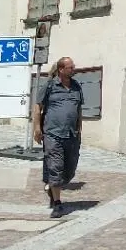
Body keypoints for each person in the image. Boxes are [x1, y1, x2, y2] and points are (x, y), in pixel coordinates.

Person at [34, 56, 83, 218]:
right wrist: (37, 128)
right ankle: (57, 204)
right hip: (52, 134)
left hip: (71, 135)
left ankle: (51, 186)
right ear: (61, 70)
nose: (73, 69)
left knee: (69, 171)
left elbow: (79, 110)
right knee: (56, 167)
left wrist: (79, 129)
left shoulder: (76, 87)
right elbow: (37, 107)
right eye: (70, 67)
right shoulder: (49, 85)